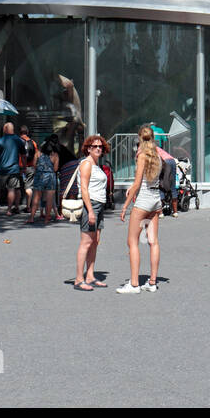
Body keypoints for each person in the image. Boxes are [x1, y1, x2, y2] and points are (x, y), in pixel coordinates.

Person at [117, 125, 164, 293]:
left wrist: (125, 206)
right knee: (153, 241)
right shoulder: (158, 156)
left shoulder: (142, 155)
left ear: (139, 138)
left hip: (143, 201)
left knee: (132, 242)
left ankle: (134, 283)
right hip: (155, 200)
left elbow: (138, 184)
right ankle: (152, 282)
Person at [74, 134, 109, 290]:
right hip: (91, 205)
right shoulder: (86, 164)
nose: (98, 149)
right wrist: (90, 211)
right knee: (86, 242)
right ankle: (78, 279)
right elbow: (84, 189)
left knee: (94, 242)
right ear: (88, 148)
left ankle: (90, 276)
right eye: (94, 146)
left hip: (99, 205)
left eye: (100, 146)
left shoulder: (96, 165)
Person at [0, 121, 25, 215]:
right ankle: (9, 210)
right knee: (12, 189)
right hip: (14, 169)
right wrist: (24, 167)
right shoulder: (18, 140)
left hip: (1, 169)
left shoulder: (0, 141)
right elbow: (23, 155)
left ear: (5, 129)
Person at [27, 135, 61, 224]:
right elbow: (56, 169)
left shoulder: (38, 153)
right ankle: (47, 218)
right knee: (49, 199)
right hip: (50, 177)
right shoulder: (55, 155)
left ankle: (31, 217)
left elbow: (34, 164)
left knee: (36, 198)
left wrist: (39, 169)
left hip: (39, 175)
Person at [17, 124, 38, 213]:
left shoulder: (17, 142)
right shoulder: (33, 143)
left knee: (16, 187)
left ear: (19, 132)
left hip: (19, 167)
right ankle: (28, 206)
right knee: (29, 187)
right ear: (27, 132)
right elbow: (36, 155)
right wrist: (34, 166)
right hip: (30, 167)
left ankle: (16, 207)